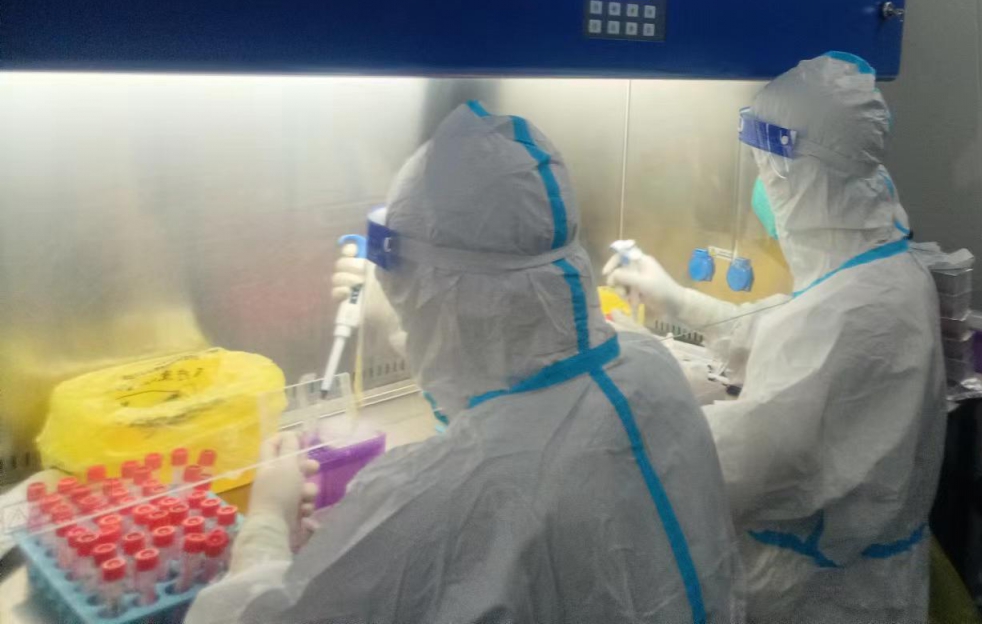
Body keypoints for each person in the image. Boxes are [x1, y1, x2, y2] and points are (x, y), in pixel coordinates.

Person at [187, 101, 744, 624]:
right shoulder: (650, 367)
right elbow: (518, 375)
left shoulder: (440, 494)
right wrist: (400, 325)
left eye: (404, 284)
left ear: (430, 290)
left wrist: (267, 522)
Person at [605, 53, 946, 624]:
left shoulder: (854, 309)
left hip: (820, 596)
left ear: (795, 173)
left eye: (765, 169)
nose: (762, 186)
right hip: (855, 581)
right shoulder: (880, 269)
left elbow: (735, 468)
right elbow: (785, 331)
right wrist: (678, 301)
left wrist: (636, 377)